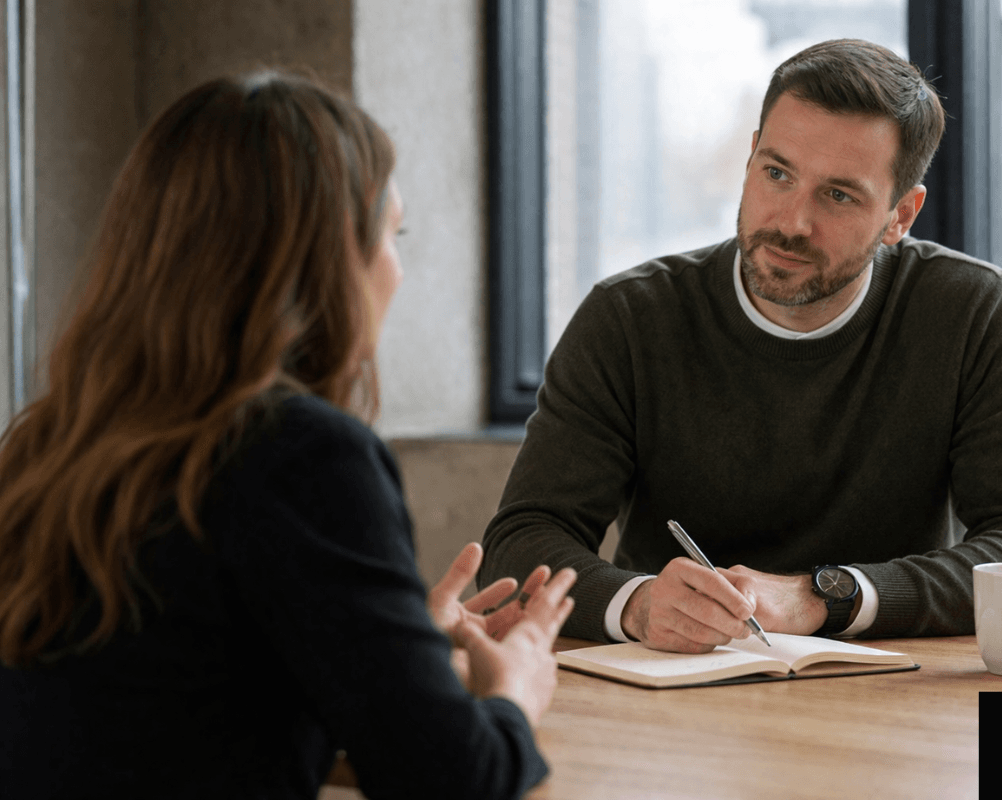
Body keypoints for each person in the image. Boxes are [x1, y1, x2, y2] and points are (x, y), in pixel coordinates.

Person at [0, 72, 575, 799]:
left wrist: (389, 645)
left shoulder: (46, 442)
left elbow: (165, 706)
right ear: (328, 263)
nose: (398, 271)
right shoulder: (302, 454)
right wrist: (515, 692)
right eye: (392, 236)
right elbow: (454, 779)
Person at [479, 39, 1002, 654]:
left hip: (890, 698)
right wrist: (635, 605)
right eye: (777, 173)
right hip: (670, 688)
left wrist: (824, 596)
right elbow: (522, 540)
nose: (792, 222)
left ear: (901, 215)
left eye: (839, 195)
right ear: (749, 159)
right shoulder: (629, 318)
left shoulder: (973, 312)